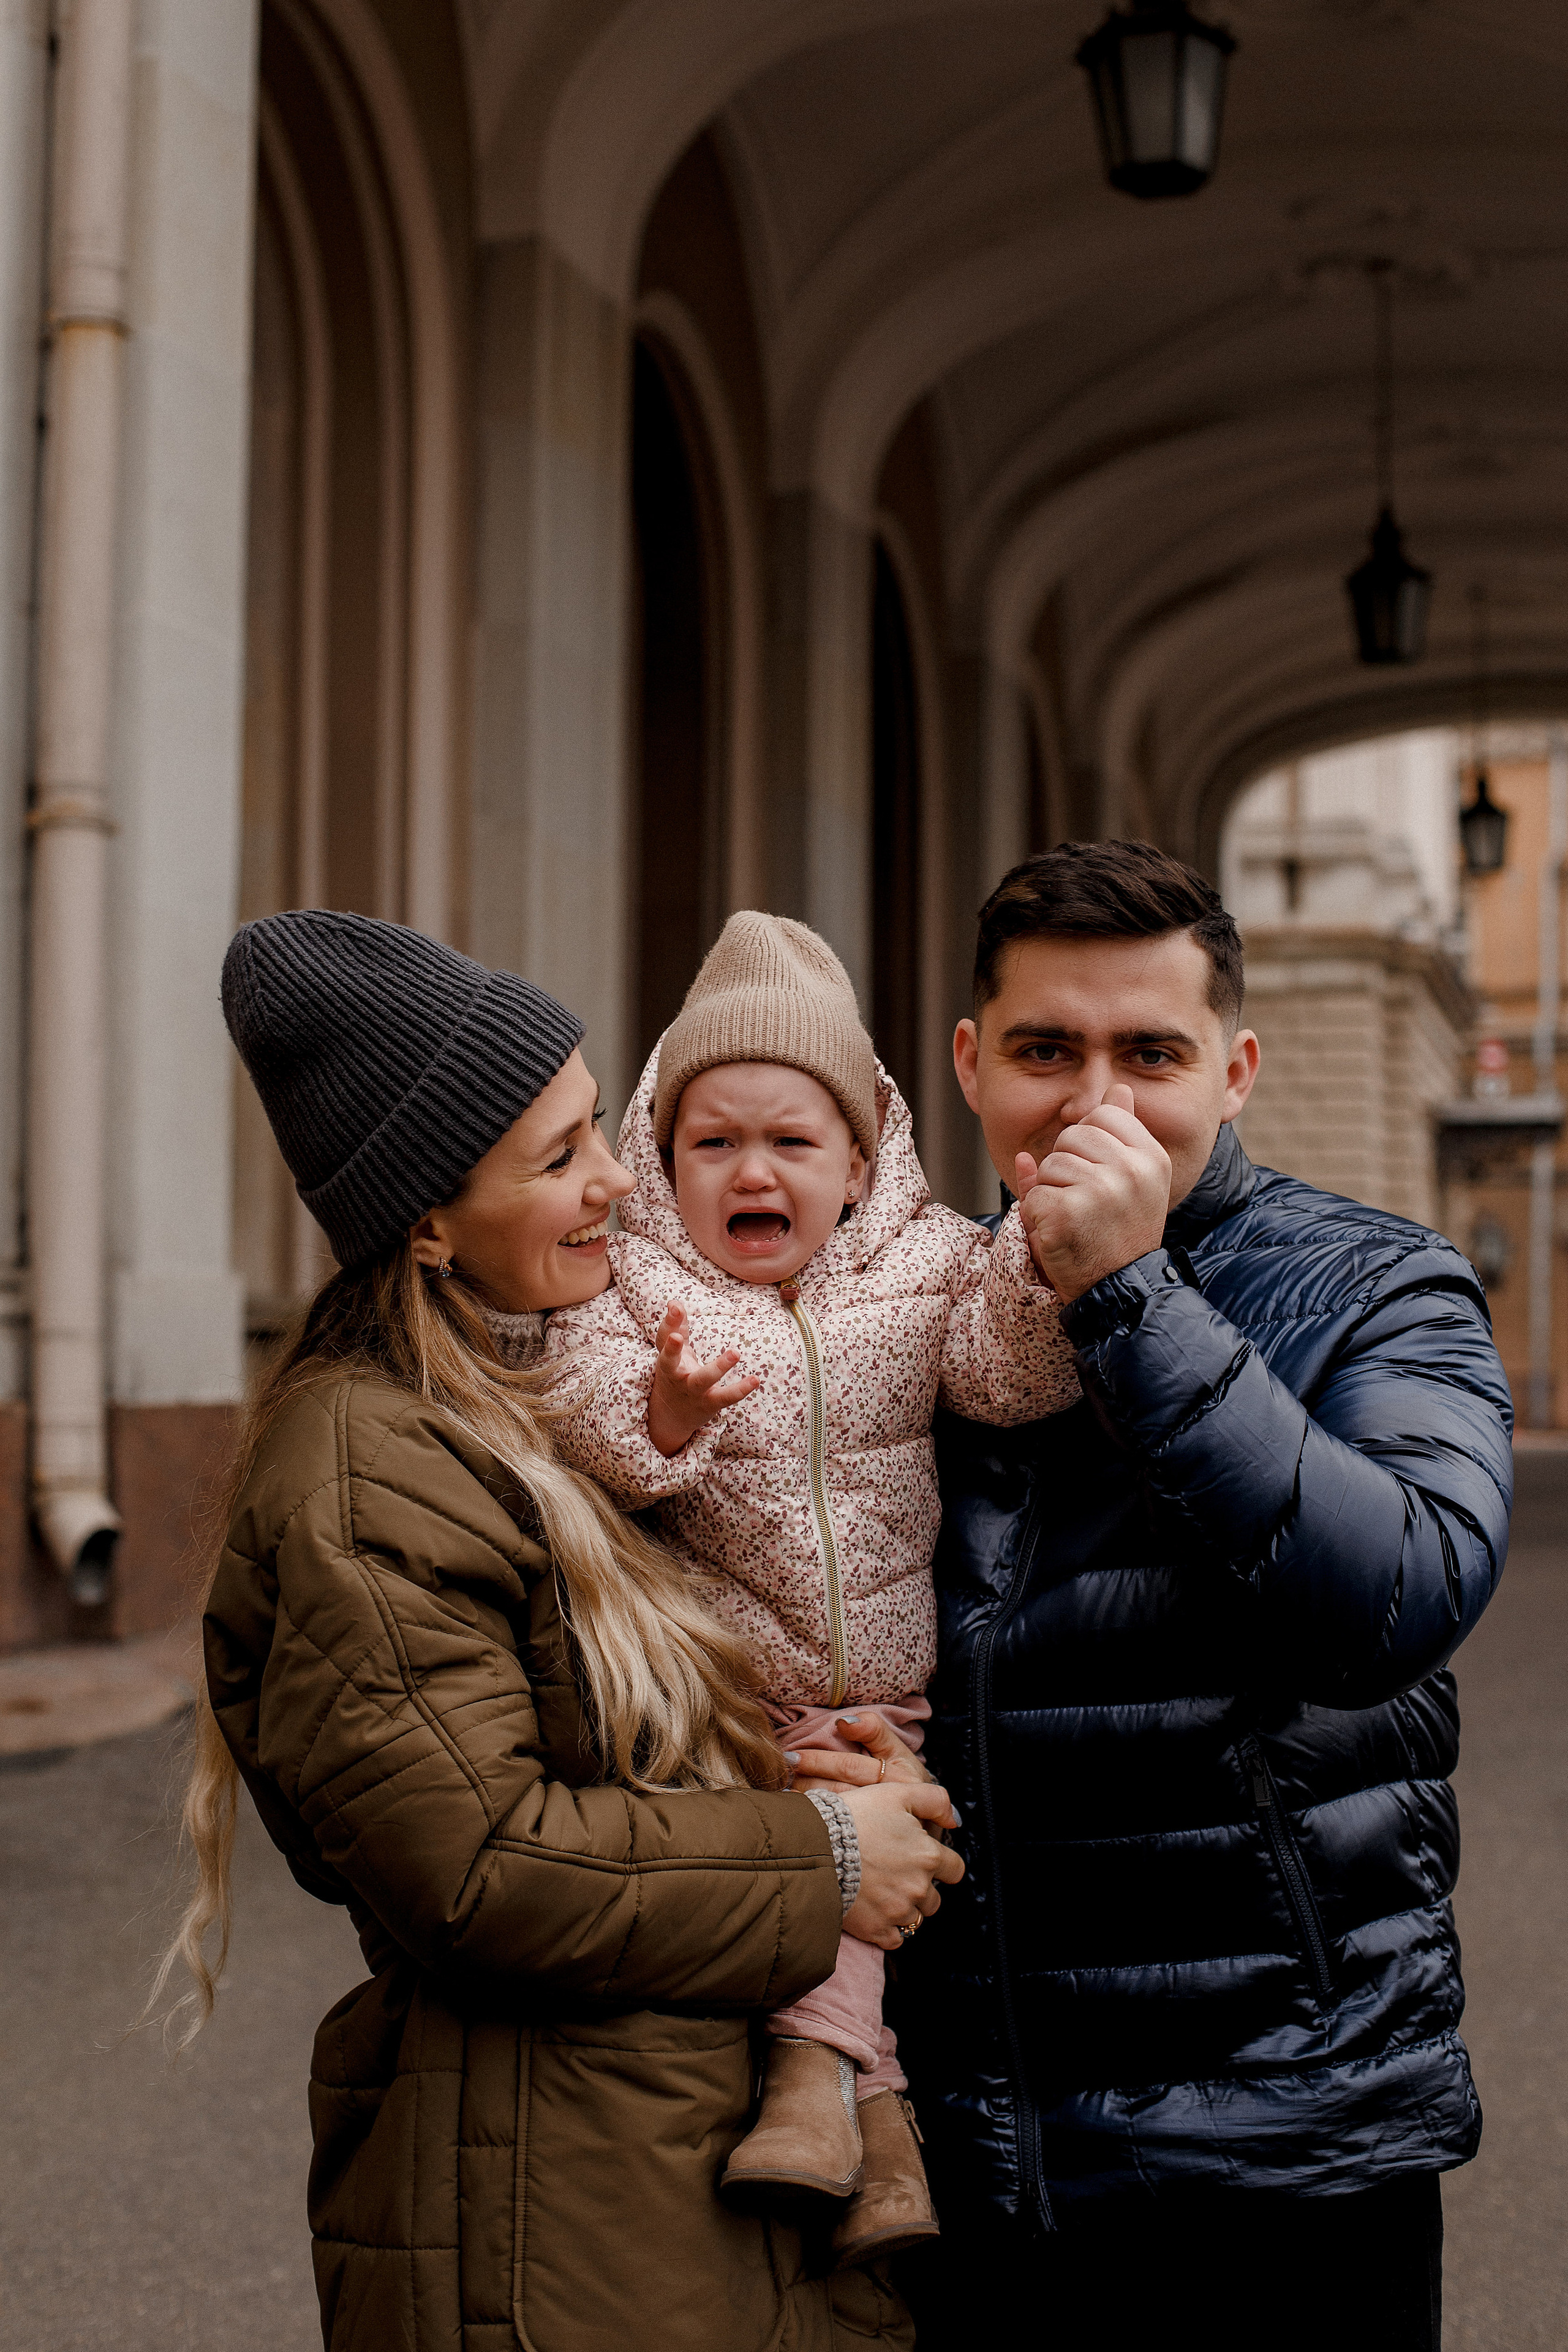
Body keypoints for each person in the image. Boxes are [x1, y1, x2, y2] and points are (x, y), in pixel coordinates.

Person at [156, 908, 965, 2352]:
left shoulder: (540, 1408)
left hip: (648, 2178)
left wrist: (818, 1767)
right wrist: (827, 1855)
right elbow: (476, 1863)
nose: (618, 1183)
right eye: (559, 1158)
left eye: (602, 1129)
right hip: (553, 2223)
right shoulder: (370, 1466)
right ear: (424, 1217)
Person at [810, 841, 1512, 2351]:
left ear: (1235, 1070)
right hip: (970, 2159)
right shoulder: (894, 1309)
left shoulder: (1378, 1286)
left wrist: (1132, 1298)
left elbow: (1398, 1598)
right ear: (967, 1063)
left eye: (1151, 1054)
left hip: (1283, 2152)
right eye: (1045, 1052)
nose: (1095, 1104)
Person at [537, 910, 1080, 2266]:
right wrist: (663, 1413)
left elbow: (1007, 1378)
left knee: (853, 1851)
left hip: (885, 1688)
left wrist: (1035, 1257)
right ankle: (826, 2097)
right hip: (712, 1693)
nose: (751, 1169)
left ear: (859, 1159)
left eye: (791, 1140)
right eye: (711, 1142)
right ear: (663, 1165)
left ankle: (846, 2113)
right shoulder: (635, 1291)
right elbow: (578, 1406)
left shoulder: (927, 1263)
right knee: (814, 1873)